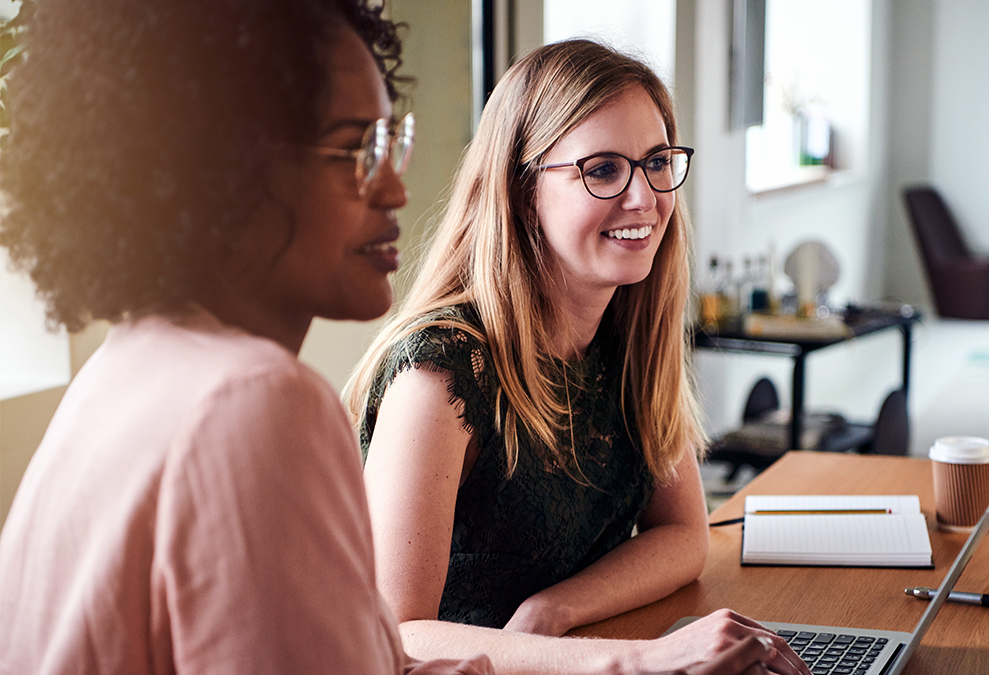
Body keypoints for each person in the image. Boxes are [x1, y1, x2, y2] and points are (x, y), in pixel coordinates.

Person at [0, 2, 788, 674]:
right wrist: (635, 660)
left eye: (388, 142)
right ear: (226, 171)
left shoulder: (129, 363)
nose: (396, 186)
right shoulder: (256, 395)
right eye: (354, 150)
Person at [344, 39, 808, 675]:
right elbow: (396, 633)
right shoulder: (442, 370)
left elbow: (683, 536)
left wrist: (553, 611)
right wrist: (645, 661)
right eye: (603, 170)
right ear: (521, 188)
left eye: (655, 162)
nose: (644, 198)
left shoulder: (629, 327)